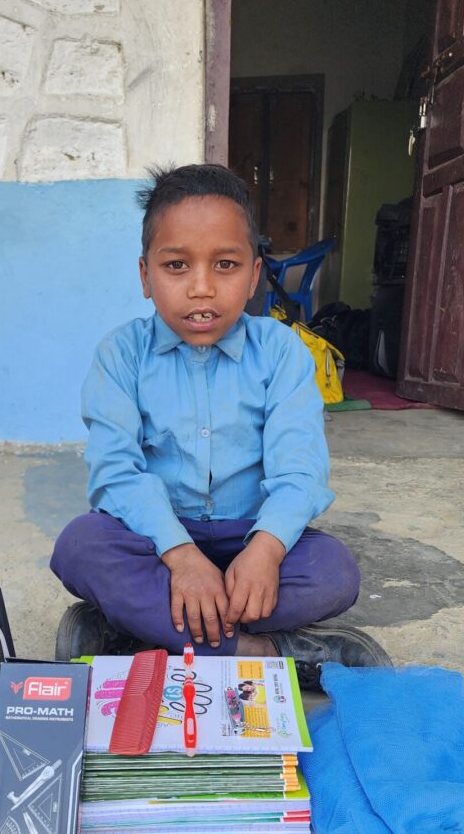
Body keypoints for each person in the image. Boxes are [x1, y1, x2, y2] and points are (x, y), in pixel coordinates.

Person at [50, 164, 389, 687]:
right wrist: (181, 556)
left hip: (248, 541)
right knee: (80, 548)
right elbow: (115, 473)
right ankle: (258, 651)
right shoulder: (121, 355)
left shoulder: (280, 353)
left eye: (225, 264)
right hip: (156, 543)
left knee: (333, 572)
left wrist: (266, 551)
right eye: (177, 266)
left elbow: (300, 471)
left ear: (254, 275)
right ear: (146, 276)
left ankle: (144, 634)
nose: (202, 288)